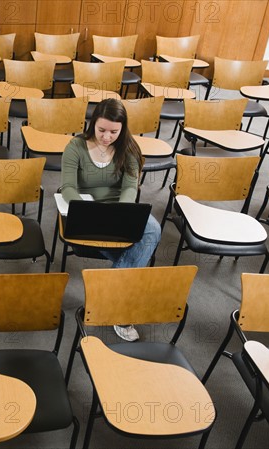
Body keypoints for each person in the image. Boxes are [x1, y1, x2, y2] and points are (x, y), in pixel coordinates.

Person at [60, 98, 161, 342]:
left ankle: (105, 297)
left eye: (114, 132)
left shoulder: (128, 148)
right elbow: (68, 187)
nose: (107, 137)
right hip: (86, 209)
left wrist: (119, 213)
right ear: (92, 123)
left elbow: (129, 188)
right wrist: (88, 209)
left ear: (123, 129)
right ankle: (120, 306)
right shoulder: (75, 146)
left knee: (153, 228)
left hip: (119, 209)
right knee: (137, 253)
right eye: (102, 130)